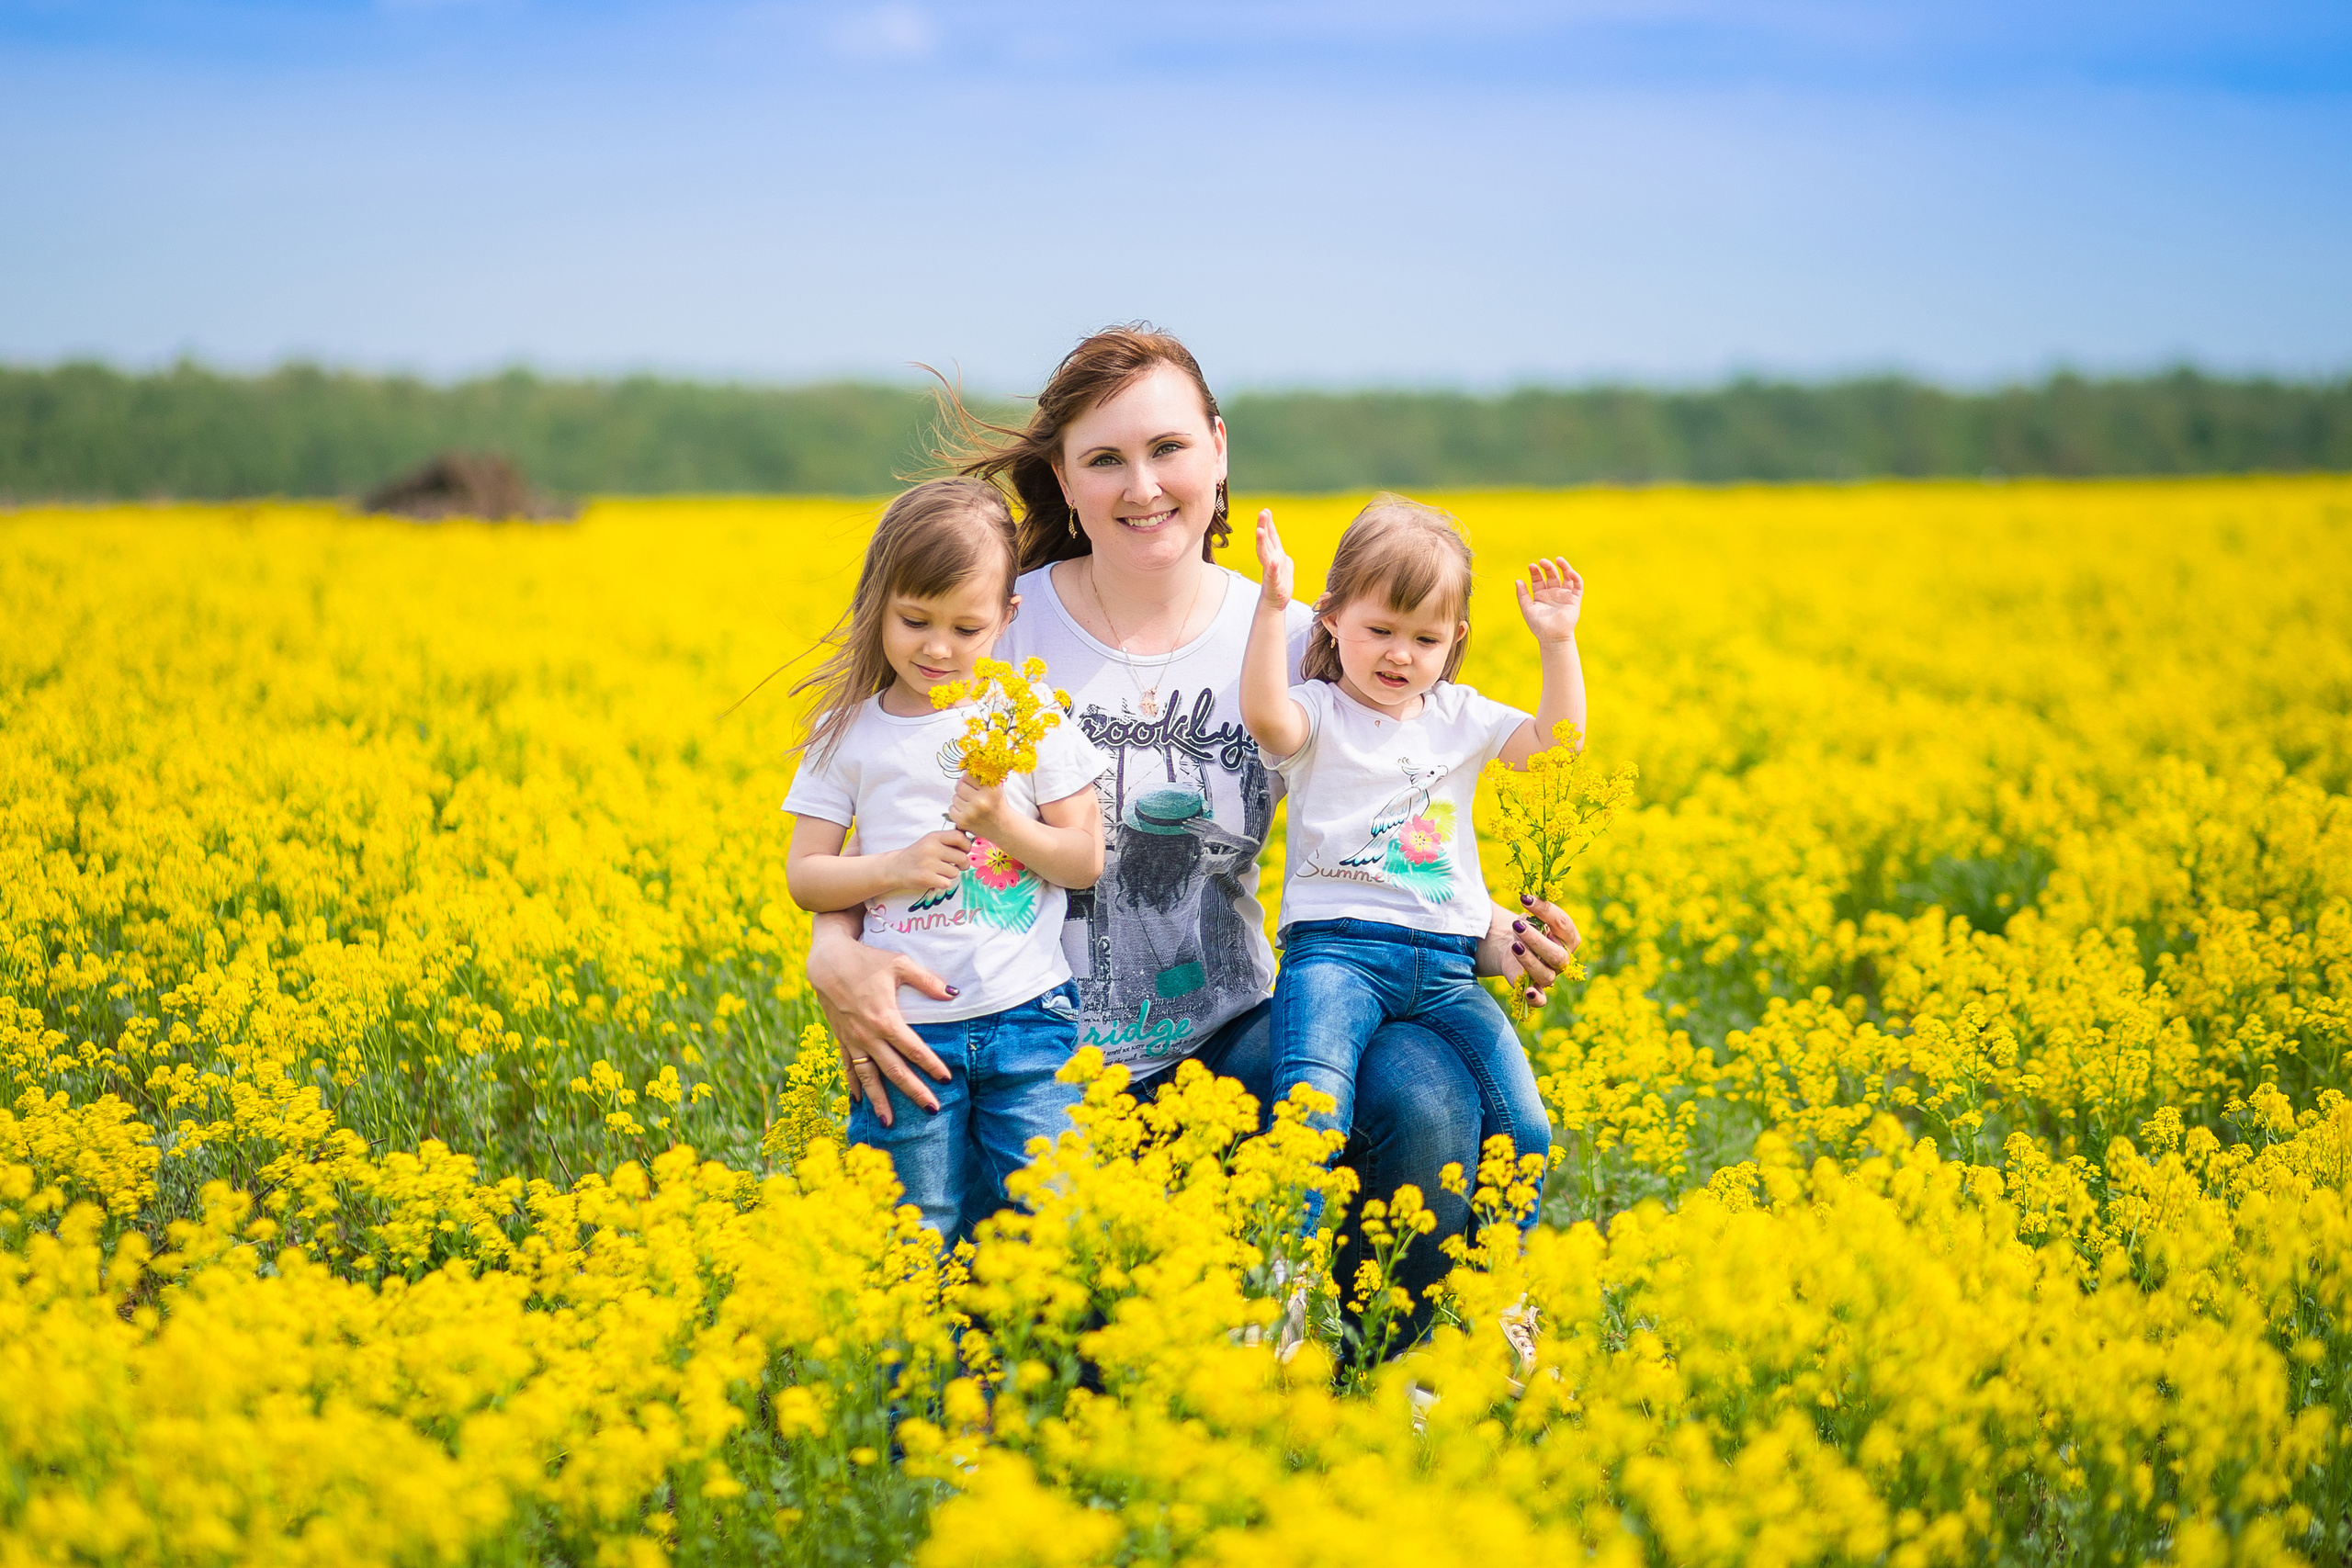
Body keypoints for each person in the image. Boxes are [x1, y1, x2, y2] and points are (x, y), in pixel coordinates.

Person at [802, 326, 1581, 1345]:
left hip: (1233, 1037)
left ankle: (1406, 1366)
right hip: (1031, 1044)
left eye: (1167, 449)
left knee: (1423, 1091)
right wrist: (834, 955)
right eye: (1104, 460)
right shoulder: (990, 623)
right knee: (1059, 1351)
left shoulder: (1302, 636)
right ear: (1064, 483)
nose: (1142, 486)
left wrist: (1488, 937)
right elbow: (882, 796)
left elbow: (1375, 829)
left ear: (1217, 452)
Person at [782, 478, 1110, 1243]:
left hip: (1029, 1016)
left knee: (1048, 1223)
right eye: (914, 620)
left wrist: (1002, 822)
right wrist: (892, 868)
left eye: (966, 627)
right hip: (905, 1029)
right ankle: (921, 1366)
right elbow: (807, 875)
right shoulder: (847, 733)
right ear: (878, 603)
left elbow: (1083, 858)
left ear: (1006, 616)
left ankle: (1030, 1363)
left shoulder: (1032, 719)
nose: (937, 647)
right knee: (914, 1231)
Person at [1243, 496, 1585, 1225]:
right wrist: (1272, 608)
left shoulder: (1459, 716)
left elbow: (1553, 747)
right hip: (1337, 956)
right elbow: (1266, 717)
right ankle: (1286, 1283)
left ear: (1454, 640)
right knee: (1312, 1116)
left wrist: (1557, 643)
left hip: (1449, 963)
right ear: (1331, 619)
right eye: (1380, 630)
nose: (1401, 654)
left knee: (1525, 1128)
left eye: (1425, 639)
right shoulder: (1319, 711)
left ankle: (1496, 1287)